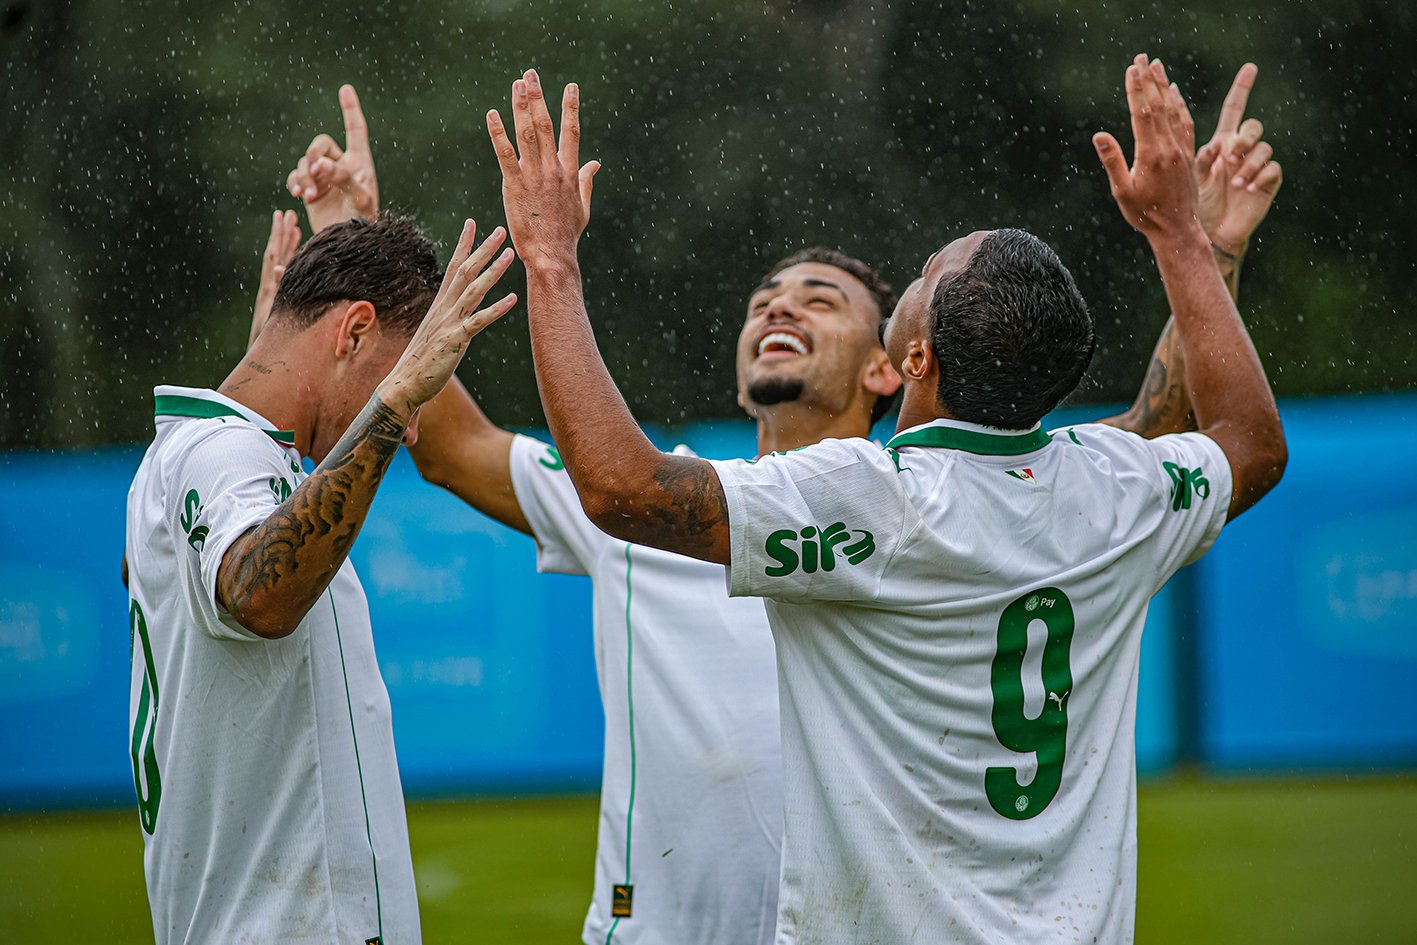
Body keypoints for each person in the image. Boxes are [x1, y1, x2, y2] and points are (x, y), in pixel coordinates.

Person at [280, 67, 1277, 944]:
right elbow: (454, 447)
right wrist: (1199, 245)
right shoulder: (1083, 490)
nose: (780, 304)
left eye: (824, 297)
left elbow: (620, 486)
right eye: (766, 295)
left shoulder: (859, 501)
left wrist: (550, 260)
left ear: (899, 362)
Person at [123, 207, 518, 944]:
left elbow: (153, 565)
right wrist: (391, 401)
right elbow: (260, 596)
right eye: (416, 379)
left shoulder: (196, 453)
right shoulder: (221, 454)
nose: (412, 427)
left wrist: (268, 386)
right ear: (355, 331)